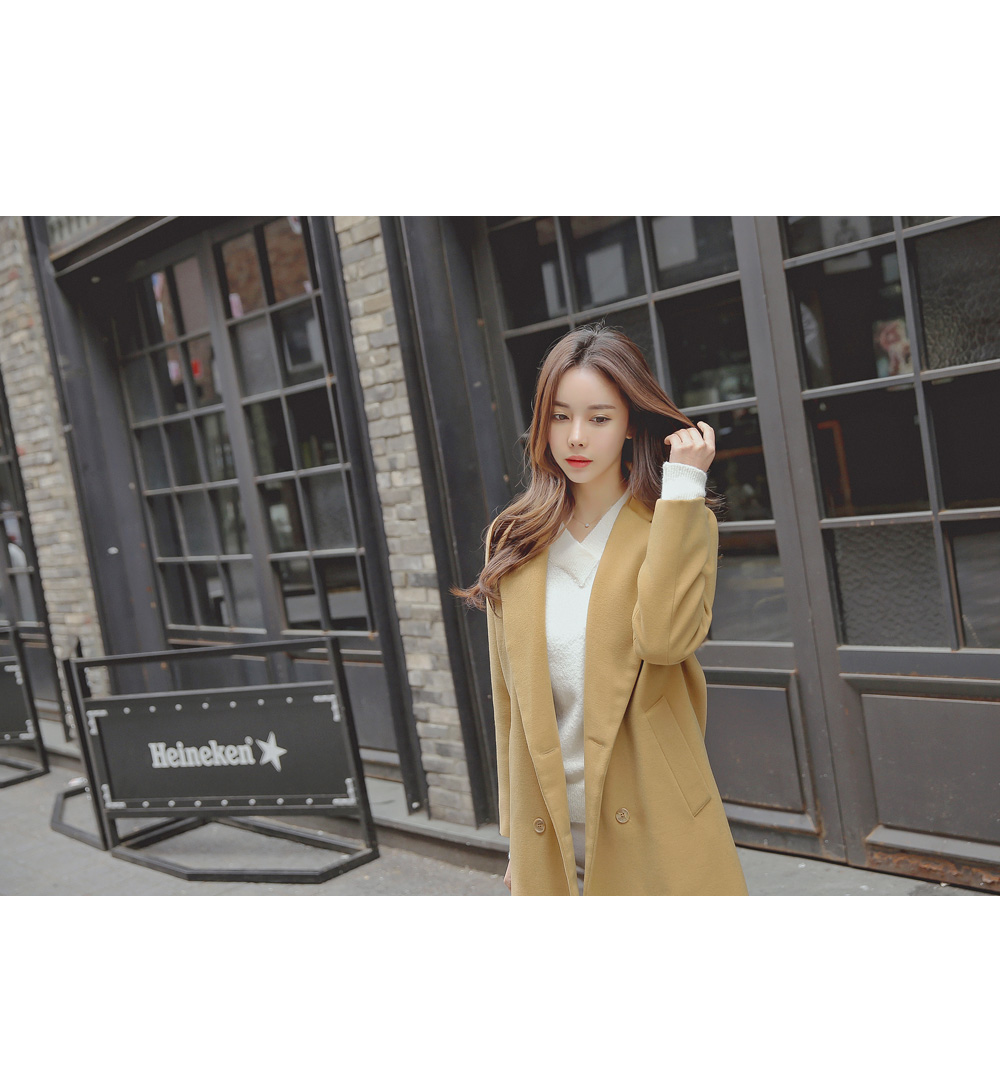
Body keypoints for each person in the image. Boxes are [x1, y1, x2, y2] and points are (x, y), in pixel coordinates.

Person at [453, 323, 747, 896]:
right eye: (560, 416)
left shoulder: (677, 523)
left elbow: (664, 641)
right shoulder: (513, 538)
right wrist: (515, 836)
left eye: (599, 418)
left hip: (657, 816)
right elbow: (508, 700)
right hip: (550, 827)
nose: (576, 438)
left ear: (631, 423)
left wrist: (683, 488)